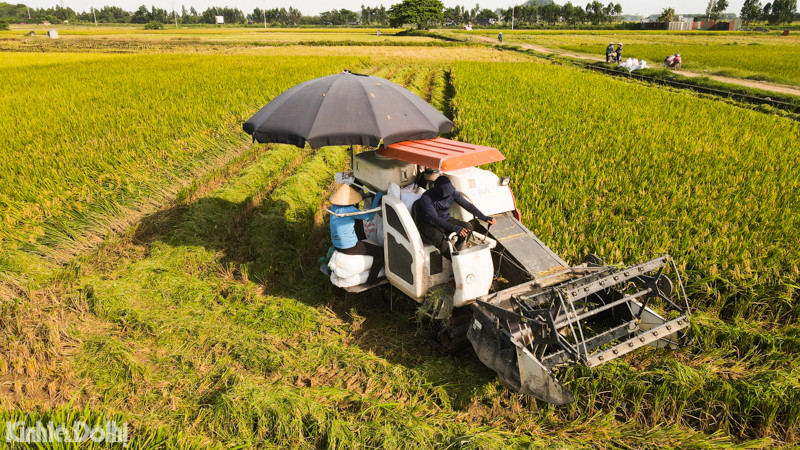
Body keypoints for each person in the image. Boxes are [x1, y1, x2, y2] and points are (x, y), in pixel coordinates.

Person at [415, 176, 497, 258]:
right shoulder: (426, 198)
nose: (449, 196)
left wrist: (485, 218)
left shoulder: (452, 193)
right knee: (438, 237)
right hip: (430, 224)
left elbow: (467, 205)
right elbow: (435, 219)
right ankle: (454, 259)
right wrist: (455, 228)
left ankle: (458, 251)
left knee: (467, 228)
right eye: (446, 196)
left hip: (446, 219)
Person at [329, 184, 384, 283]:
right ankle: (372, 279)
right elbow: (369, 216)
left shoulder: (334, 207)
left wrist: (363, 195)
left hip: (337, 245)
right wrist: (377, 198)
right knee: (380, 253)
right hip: (349, 247)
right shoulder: (350, 210)